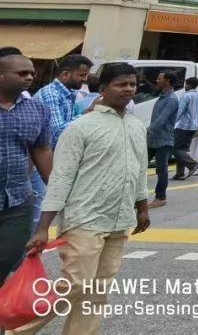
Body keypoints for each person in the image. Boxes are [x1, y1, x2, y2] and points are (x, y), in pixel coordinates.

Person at [19, 62, 150, 335]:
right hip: (84, 219)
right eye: (121, 84)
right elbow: (61, 179)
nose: (128, 89)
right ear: (102, 88)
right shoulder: (80, 128)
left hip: (119, 220)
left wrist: (142, 207)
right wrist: (43, 227)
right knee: (75, 284)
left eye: (132, 84)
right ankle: (17, 330)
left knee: (98, 290)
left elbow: (139, 171)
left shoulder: (137, 126)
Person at [0, 48, 52, 282]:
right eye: (22, 73)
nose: (30, 77)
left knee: (8, 259)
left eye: (31, 73)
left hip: (17, 203)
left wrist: (59, 190)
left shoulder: (37, 109)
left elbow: (42, 150)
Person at [29, 54, 91, 229]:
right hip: (39, 161)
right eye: (81, 75)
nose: (85, 80)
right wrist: (88, 114)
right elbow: (57, 133)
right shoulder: (52, 94)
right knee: (38, 212)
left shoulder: (68, 94)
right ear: (65, 74)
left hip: (53, 159)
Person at [146, 71, 180, 209]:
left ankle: (160, 197)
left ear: (167, 81)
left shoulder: (171, 99)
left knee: (161, 170)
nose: (157, 80)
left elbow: (161, 120)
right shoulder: (162, 97)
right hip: (152, 139)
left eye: (159, 78)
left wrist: (145, 131)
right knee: (140, 167)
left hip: (164, 140)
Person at [172, 76, 198, 180]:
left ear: (189, 85)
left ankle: (193, 165)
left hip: (183, 126)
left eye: (186, 84)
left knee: (175, 149)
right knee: (182, 150)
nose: (185, 86)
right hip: (193, 127)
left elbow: (179, 111)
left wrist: (172, 123)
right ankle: (179, 174)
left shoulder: (186, 96)